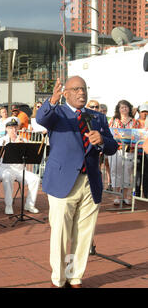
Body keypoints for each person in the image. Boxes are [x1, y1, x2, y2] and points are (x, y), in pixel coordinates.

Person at [36, 76, 118, 288]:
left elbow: (112, 146)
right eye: (76, 89)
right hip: (63, 182)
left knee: (83, 235)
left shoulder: (97, 117)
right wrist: (52, 101)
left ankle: (75, 276)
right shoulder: (57, 113)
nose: (81, 93)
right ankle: (59, 278)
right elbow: (41, 119)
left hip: (90, 182)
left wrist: (103, 140)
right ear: (66, 94)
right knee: (61, 234)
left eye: (83, 89)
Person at [0, 117, 41, 215]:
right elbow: (1, 155)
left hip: (20, 170)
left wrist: (23, 145)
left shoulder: (23, 139)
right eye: (11, 128)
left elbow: (30, 154)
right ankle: (8, 205)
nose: (14, 130)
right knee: (8, 177)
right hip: (6, 169)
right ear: (6, 129)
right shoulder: (2, 140)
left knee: (35, 179)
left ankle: (29, 204)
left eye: (15, 128)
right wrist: (15, 145)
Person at [108, 100, 141, 205]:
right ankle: (117, 196)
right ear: (118, 109)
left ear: (129, 108)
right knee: (115, 172)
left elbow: (138, 136)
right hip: (115, 150)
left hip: (129, 150)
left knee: (127, 173)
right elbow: (109, 132)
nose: (124, 109)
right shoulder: (113, 120)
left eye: (126, 107)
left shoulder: (135, 122)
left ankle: (126, 196)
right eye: (122, 107)